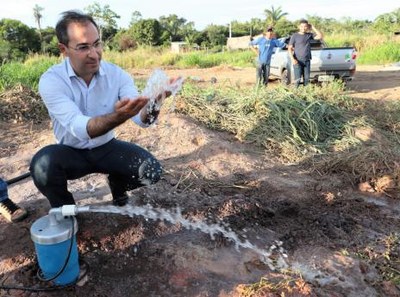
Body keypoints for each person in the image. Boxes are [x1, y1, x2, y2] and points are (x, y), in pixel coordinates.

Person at [30, 11, 178, 208]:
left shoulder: (117, 75)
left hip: (107, 147)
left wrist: (156, 101)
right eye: (83, 47)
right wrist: (119, 116)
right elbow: (81, 128)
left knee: (151, 171)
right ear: (63, 49)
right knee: (42, 166)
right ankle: (65, 210)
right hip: (70, 152)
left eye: (97, 44)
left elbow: (143, 120)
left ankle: (118, 184)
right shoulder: (52, 81)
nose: (94, 54)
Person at [288, 19, 323, 87]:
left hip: (307, 60)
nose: (303, 28)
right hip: (297, 61)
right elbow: (289, 48)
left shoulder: (309, 35)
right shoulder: (295, 36)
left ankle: (305, 95)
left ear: (307, 27)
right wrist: (293, 59)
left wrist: (313, 27)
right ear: (299, 27)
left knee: (306, 80)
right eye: (302, 26)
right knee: (297, 80)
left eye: (305, 26)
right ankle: (295, 95)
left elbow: (320, 36)